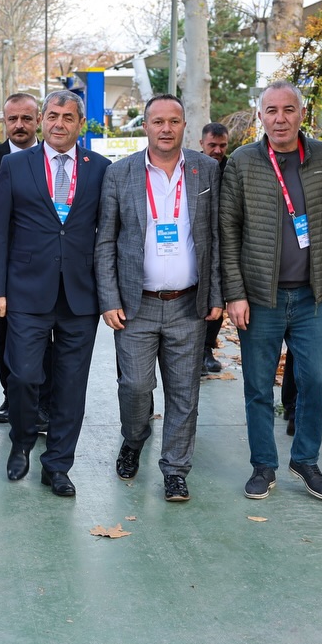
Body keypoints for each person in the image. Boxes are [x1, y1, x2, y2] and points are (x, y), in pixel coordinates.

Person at [221, 80, 322, 503]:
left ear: (302, 114)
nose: (280, 118)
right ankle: (264, 465)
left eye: (288, 110)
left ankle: (306, 459)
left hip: (312, 295)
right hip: (260, 297)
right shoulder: (242, 161)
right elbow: (228, 230)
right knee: (258, 386)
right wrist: (235, 293)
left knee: (316, 377)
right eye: (271, 110)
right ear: (261, 116)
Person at [0, 90, 110, 497]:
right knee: (22, 377)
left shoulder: (99, 169)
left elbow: (107, 235)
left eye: (68, 117)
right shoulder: (14, 165)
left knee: (72, 386)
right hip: (25, 293)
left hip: (80, 297)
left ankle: (57, 464)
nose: (60, 123)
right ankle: (21, 443)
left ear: (79, 124)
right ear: (41, 119)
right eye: (53, 115)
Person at [96, 95, 221, 502]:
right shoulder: (120, 173)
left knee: (185, 392)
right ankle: (134, 439)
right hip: (136, 304)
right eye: (157, 122)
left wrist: (215, 294)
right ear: (145, 126)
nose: (166, 128)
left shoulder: (207, 170)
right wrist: (109, 297)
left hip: (189, 304)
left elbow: (216, 239)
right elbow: (105, 242)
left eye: (174, 121)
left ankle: (175, 469)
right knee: (134, 386)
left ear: (185, 125)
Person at [0, 92, 42, 425]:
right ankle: (10, 397)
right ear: (4, 121)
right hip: (3, 268)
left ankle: (43, 402)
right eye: (12, 119)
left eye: (26, 118)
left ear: (38, 120)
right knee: (6, 338)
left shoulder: (54, 159)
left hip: (46, 268)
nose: (19, 125)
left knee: (49, 340)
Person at [198, 121, 229, 376]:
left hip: (226, 241)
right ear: (202, 144)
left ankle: (207, 348)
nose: (217, 150)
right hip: (198, 242)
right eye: (212, 145)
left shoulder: (233, 168)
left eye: (222, 145)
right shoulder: (192, 167)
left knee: (219, 298)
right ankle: (196, 350)